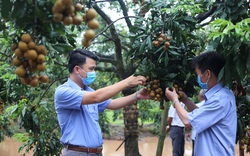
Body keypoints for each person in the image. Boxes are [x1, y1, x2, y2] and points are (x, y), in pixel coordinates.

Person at [54, 49, 150, 156]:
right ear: (77, 69)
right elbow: (97, 97)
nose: (93, 72)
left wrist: (137, 96)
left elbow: (112, 104)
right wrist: (127, 82)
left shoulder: (89, 91)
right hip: (77, 153)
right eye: (91, 69)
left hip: (96, 153)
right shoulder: (63, 92)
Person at [165, 51, 237, 156]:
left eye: (198, 74)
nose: (197, 77)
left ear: (207, 74)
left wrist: (175, 100)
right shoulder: (221, 95)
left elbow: (188, 122)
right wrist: (186, 100)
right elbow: (201, 115)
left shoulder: (220, 99)